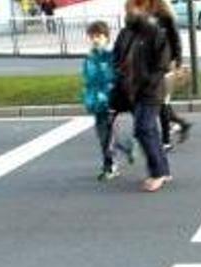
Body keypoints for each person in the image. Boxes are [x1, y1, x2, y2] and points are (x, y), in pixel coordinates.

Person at [113, 0, 172, 192]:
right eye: (127, 9)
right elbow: (116, 57)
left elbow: (162, 62)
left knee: (143, 129)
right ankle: (163, 170)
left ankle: (157, 173)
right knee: (150, 130)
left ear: (142, 9)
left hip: (150, 90)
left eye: (131, 9)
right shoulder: (126, 33)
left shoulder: (154, 32)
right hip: (132, 90)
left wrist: (149, 81)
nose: (128, 12)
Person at [83, 20, 135, 181]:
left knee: (107, 136)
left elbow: (115, 77)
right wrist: (88, 98)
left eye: (99, 36)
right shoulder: (89, 59)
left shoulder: (111, 57)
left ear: (107, 38)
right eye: (92, 36)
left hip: (110, 102)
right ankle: (126, 147)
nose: (95, 39)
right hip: (96, 104)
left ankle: (110, 166)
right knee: (103, 135)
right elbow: (88, 81)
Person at [154, 0, 192, 152]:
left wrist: (178, 61)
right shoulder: (146, 16)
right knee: (160, 103)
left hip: (166, 64)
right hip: (151, 66)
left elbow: (176, 41)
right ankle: (180, 123)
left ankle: (166, 141)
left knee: (162, 103)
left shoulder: (166, 17)